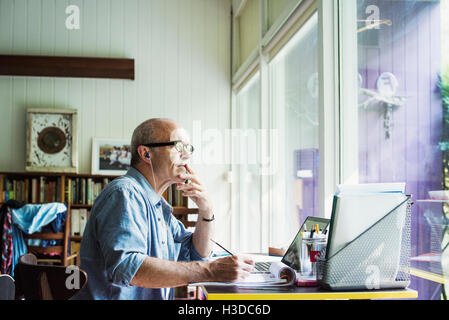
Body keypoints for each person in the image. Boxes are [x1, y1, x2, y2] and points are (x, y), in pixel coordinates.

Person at [73, 118, 254, 300]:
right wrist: (212, 271)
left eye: (189, 148)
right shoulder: (125, 193)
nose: (187, 155)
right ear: (146, 154)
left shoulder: (159, 207)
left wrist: (206, 210)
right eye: (178, 146)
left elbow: (195, 255)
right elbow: (128, 268)